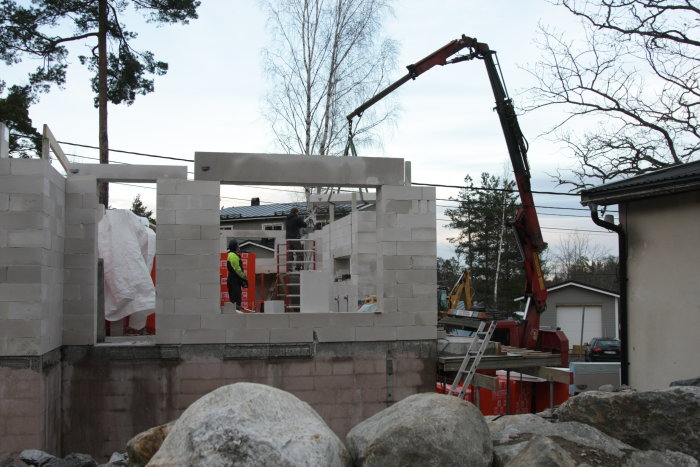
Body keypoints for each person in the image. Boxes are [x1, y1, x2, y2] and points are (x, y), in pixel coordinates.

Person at [226, 239, 248, 309]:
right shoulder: (233, 256)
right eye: (238, 245)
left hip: (233, 280)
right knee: (236, 303)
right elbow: (238, 271)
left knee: (235, 302)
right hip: (234, 281)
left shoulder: (232, 254)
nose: (239, 246)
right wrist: (245, 279)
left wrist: (242, 281)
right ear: (235, 246)